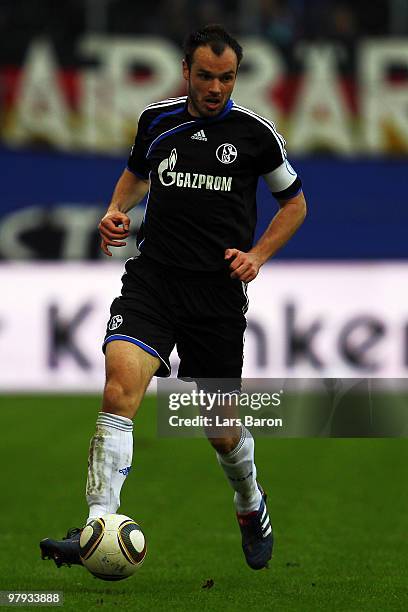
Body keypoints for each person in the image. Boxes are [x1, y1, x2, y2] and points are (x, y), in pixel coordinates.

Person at [40, 24, 306, 571]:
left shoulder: (257, 136)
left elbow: (295, 204)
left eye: (226, 77)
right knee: (119, 387)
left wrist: (257, 256)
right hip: (153, 281)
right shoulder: (156, 121)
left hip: (216, 296)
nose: (215, 87)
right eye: (205, 76)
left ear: (236, 77)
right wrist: (116, 210)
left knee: (221, 431)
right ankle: (98, 521)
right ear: (186, 71)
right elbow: (136, 175)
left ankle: (250, 503)